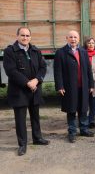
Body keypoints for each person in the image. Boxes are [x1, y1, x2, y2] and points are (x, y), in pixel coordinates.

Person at [3, 27, 49, 156]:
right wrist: (27, 82)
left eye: (28, 35)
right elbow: (11, 71)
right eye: (22, 35)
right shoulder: (9, 51)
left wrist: (37, 80)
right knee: (20, 119)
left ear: (30, 37)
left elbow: (43, 67)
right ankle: (22, 144)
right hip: (19, 90)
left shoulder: (35, 50)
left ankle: (37, 138)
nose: (25, 38)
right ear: (17, 36)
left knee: (35, 116)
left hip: (34, 89)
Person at [54, 30, 94, 143]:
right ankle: (72, 132)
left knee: (83, 108)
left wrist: (91, 84)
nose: (73, 39)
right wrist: (60, 86)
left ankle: (84, 129)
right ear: (66, 38)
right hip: (69, 87)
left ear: (78, 39)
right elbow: (58, 72)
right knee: (71, 109)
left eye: (75, 37)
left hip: (84, 86)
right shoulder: (61, 52)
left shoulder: (83, 51)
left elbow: (88, 70)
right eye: (71, 37)